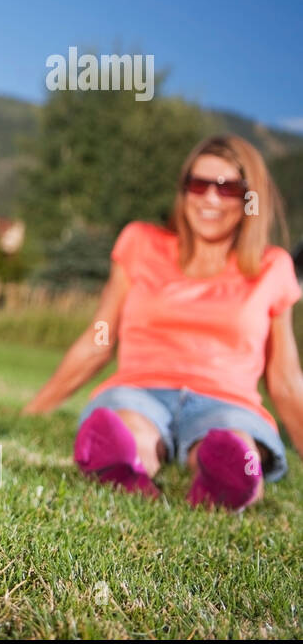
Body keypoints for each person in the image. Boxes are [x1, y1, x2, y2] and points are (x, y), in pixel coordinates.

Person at [22, 135, 303, 512]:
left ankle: (232, 474)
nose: (210, 199)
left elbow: (284, 379)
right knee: (126, 425)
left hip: (227, 400)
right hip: (140, 389)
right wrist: (34, 410)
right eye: (198, 184)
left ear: (251, 198)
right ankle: (121, 458)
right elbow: (100, 336)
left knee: (232, 440)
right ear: (183, 189)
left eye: (228, 188)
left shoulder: (273, 267)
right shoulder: (140, 244)